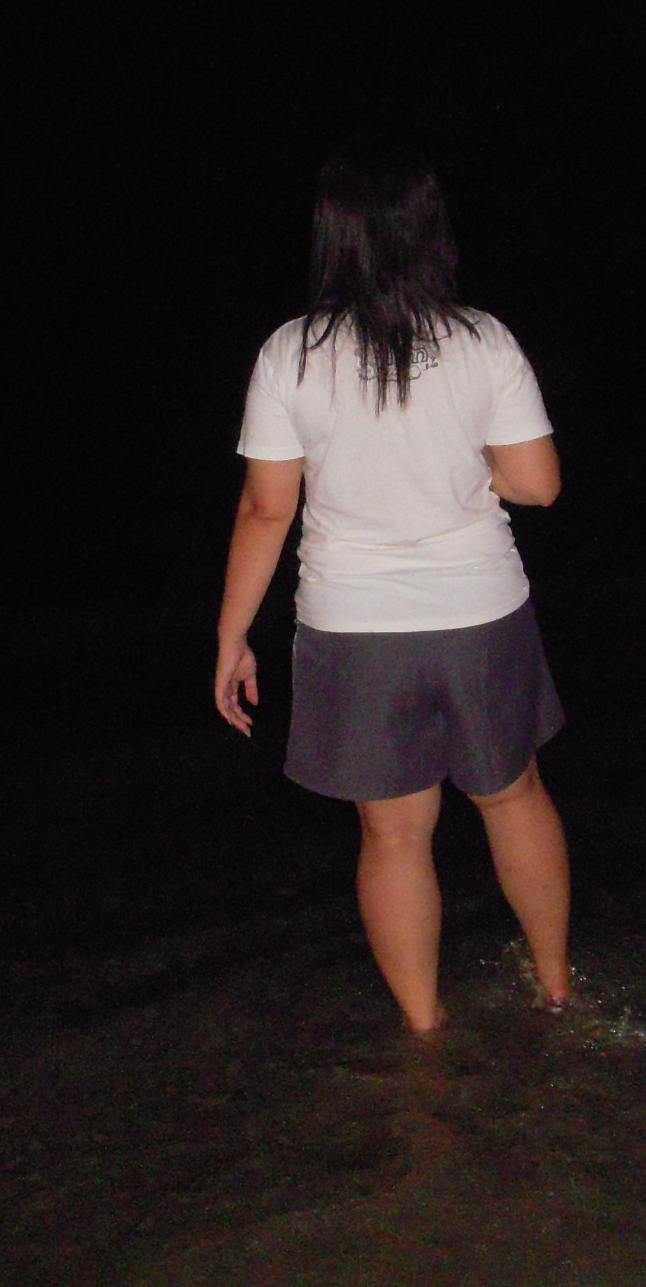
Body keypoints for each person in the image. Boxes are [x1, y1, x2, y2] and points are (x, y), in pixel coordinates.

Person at [213, 146, 574, 1036]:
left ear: (333, 234)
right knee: (515, 797)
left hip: (355, 627)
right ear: (429, 230)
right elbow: (539, 486)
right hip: (480, 613)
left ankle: (424, 1030)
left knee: (394, 835)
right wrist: (475, 469)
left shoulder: (291, 353)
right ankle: (559, 990)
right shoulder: (483, 340)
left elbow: (267, 509)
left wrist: (231, 637)